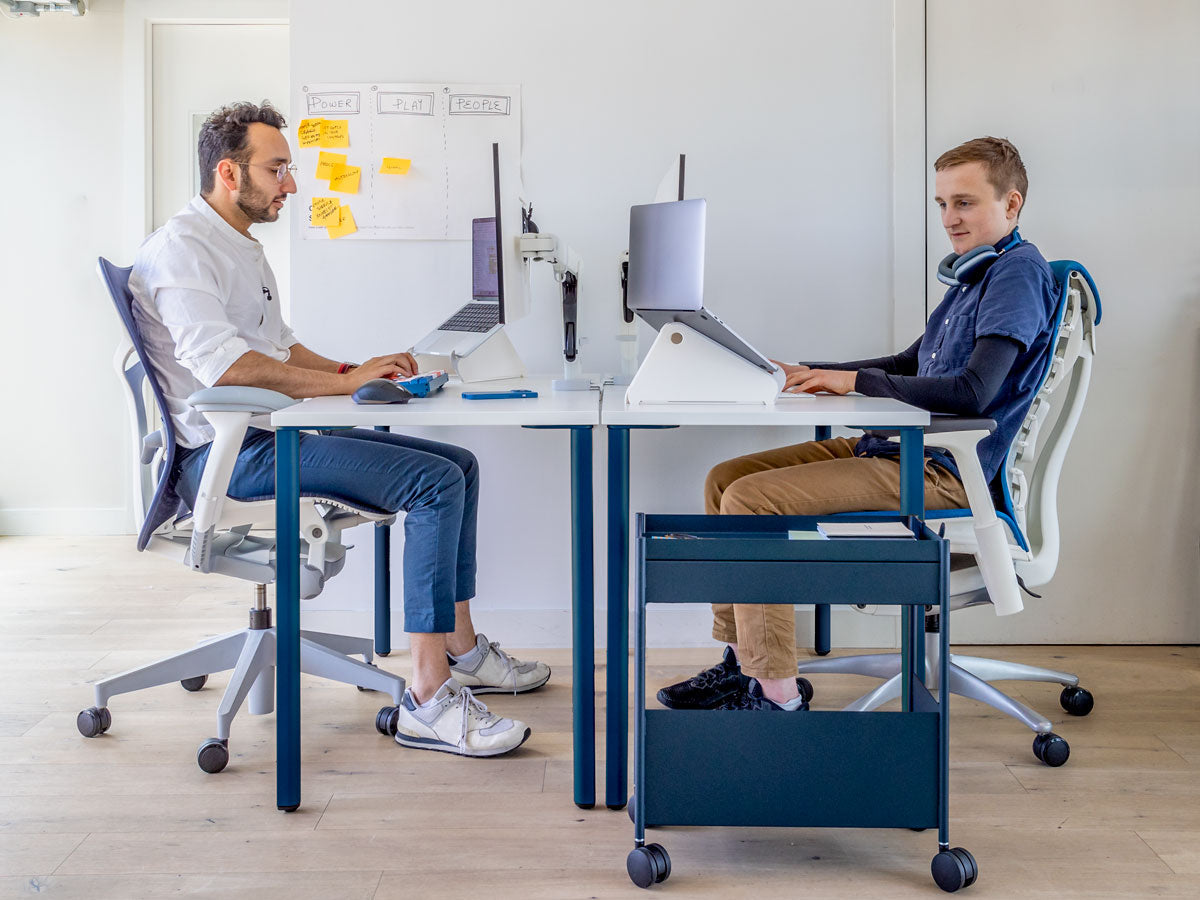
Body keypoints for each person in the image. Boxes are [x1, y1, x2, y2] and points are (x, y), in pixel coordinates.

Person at [130, 101, 549, 757]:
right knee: (434, 484)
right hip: (227, 457)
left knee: (457, 465)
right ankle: (428, 699)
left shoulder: (234, 244)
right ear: (229, 174)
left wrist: (357, 368)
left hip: (259, 438)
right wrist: (349, 386)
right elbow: (232, 369)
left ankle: (462, 650)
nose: (291, 185)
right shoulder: (183, 251)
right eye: (277, 170)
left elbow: (280, 349)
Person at [658, 136, 1058, 712]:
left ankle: (775, 695)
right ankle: (741, 663)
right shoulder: (976, 276)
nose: (949, 218)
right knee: (724, 480)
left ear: (1012, 203)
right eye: (942, 203)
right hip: (896, 448)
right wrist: (813, 371)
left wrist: (856, 384)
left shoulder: (1017, 275)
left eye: (964, 203)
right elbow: (906, 365)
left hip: (942, 468)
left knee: (751, 502)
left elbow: (974, 391)